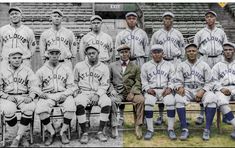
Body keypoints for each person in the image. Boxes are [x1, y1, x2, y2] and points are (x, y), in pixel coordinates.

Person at [174, 43, 217, 140]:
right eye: (189, 51)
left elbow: (210, 82)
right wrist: (179, 87)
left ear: (197, 52)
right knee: (178, 98)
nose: (191, 53)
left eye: (193, 51)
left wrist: (203, 90)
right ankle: (185, 129)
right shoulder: (181, 65)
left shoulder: (204, 65)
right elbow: (177, 81)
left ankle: (207, 129)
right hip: (187, 89)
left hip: (201, 88)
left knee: (212, 99)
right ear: (186, 53)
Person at [35, 46, 76, 146]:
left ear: (59, 55)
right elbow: (35, 87)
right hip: (48, 95)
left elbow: (72, 86)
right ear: (47, 55)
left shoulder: (66, 69)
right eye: (51, 53)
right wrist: (41, 93)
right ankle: (52, 132)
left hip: (63, 94)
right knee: (41, 109)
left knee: (71, 107)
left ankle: (62, 132)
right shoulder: (41, 70)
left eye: (56, 54)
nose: (54, 56)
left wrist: (66, 94)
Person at [150, 11, 185, 125]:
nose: (168, 20)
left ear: (172, 20)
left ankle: (176, 117)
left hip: (175, 61)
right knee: (163, 86)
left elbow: (183, 48)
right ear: (162, 20)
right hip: (162, 61)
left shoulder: (178, 33)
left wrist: (180, 59)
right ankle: (160, 116)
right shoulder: (157, 34)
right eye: (166, 18)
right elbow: (151, 48)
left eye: (170, 18)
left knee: (176, 88)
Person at [194, 10, 228, 124]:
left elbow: (226, 47)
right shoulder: (200, 33)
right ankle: (201, 114)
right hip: (205, 58)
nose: (209, 18)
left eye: (211, 16)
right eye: (207, 17)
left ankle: (223, 113)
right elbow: (195, 49)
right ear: (205, 19)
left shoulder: (221, 32)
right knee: (204, 84)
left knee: (220, 84)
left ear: (215, 19)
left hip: (218, 58)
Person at [74, 44, 111, 144]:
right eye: (89, 53)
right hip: (84, 92)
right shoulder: (79, 66)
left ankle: (100, 131)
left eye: (93, 53)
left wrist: (98, 94)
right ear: (86, 54)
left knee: (107, 101)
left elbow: (105, 84)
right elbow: (75, 81)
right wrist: (77, 90)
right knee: (78, 102)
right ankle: (84, 132)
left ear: (98, 53)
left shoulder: (104, 67)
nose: (91, 55)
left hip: (98, 92)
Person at [0, 48, 37, 147]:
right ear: (9, 59)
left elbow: (34, 86)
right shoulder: (2, 70)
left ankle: (17, 137)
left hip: (23, 96)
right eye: (14, 58)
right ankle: (20, 136)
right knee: (8, 110)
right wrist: (6, 96)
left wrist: (31, 96)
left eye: (19, 58)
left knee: (29, 108)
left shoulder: (27, 70)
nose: (17, 60)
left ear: (22, 59)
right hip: (7, 97)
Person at [141, 44, 176, 140]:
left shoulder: (169, 65)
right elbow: (143, 80)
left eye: (159, 52)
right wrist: (147, 88)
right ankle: (150, 129)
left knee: (170, 102)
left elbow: (173, 79)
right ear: (151, 54)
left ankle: (170, 129)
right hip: (152, 89)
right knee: (148, 103)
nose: (156, 54)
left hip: (165, 89)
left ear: (163, 53)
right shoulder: (146, 65)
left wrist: (170, 88)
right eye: (154, 52)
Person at [109, 44, 144, 140]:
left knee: (140, 100)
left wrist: (133, 92)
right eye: (122, 52)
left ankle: (138, 126)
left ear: (129, 53)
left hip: (131, 92)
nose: (124, 54)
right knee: (112, 101)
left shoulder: (136, 66)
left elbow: (138, 81)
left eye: (126, 52)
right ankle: (114, 126)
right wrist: (112, 89)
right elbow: (108, 81)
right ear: (118, 54)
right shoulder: (112, 66)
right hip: (118, 93)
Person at [212, 42, 235, 140]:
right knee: (221, 101)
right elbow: (212, 81)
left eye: (230, 50)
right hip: (223, 89)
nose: (228, 52)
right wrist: (221, 88)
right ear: (223, 52)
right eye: (226, 50)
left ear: (234, 51)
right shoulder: (217, 66)